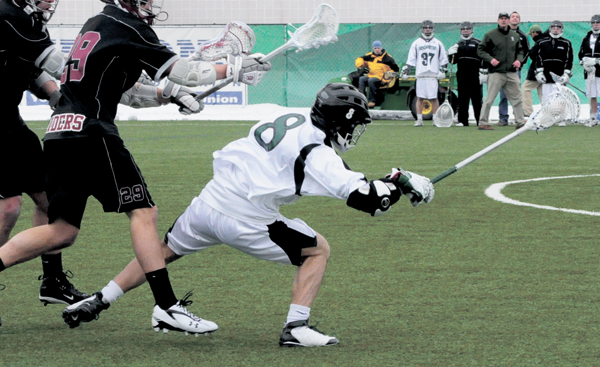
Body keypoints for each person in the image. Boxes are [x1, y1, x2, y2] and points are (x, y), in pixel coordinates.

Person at [0, 0, 271, 335]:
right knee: (143, 212)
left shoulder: (97, 25)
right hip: (91, 134)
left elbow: (126, 92)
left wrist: (167, 95)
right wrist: (234, 68)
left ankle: (150, 303)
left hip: (60, 134)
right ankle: (167, 306)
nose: (146, 0)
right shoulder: (129, 27)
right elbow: (187, 72)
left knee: (60, 230)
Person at [60, 83, 435, 347]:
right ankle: (296, 327)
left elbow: (326, 166)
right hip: (247, 219)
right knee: (317, 250)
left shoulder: (291, 117)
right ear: (340, 120)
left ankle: (100, 299)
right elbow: (368, 201)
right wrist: (399, 182)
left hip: (210, 200)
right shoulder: (319, 153)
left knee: (162, 251)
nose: (354, 132)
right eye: (353, 124)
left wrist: (391, 182)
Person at [0, 0, 89, 323]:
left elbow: (34, 72)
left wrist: (56, 97)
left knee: (50, 200)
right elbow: (60, 65)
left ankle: (52, 281)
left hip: (10, 123)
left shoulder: (27, 22)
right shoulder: (9, 16)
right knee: (9, 207)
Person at [476, 12, 526, 130]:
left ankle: (520, 122)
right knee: (489, 99)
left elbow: (520, 51)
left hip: (511, 72)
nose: (503, 20)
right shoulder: (490, 35)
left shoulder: (515, 35)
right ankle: (483, 122)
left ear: (508, 21)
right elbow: (480, 50)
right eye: (501, 18)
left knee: (517, 98)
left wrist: (518, 60)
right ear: (498, 21)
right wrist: (490, 59)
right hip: (496, 72)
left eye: (505, 18)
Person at [401, 20, 448, 127]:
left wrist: (443, 70)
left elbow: (443, 59)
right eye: (426, 28)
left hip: (433, 75)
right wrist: (407, 70)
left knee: (434, 98)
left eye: (429, 28)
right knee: (420, 97)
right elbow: (411, 59)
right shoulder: (416, 43)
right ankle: (419, 119)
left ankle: (435, 119)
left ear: (433, 29)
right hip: (421, 74)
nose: (427, 30)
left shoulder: (438, 43)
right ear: (422, 29)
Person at [529, 21, 573, 125]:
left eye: (558, 28)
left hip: (559, 76)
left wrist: (566, 74)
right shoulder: (542, 42)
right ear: (550, 29)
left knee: (560, 98)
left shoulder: (566, 43)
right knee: (546, 99)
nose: (556, 30)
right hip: (546, 76)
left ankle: (561, 119)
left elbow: (569, 60)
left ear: (561, 29)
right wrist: (539, 72)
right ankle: (547, 118)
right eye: (553, 28)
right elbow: (538, 58)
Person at [494, 12, 530, 126]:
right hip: (501, 70)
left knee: (516, 95)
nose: (515, 18)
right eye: (513, 17)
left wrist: (519, 62)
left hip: (515, 71)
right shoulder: (501, 34)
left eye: (517, 17)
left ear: (519, 20)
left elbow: (526, 51)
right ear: (509, 20)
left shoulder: (522, 36)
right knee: (503, 95)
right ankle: (503, 118)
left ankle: (518, 118)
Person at [446, 21, 484, 126]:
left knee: (477, 100)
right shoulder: (458, 44)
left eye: (468, 29)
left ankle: (480, 120)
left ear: (471, 30)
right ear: (461, 31)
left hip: (475, 75)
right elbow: (453, 61)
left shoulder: (477, 43)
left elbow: (483, 58)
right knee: (463, 99)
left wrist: (483, 71)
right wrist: (451, 54)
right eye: (463, 29)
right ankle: (463, 121)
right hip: (462, 76)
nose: (465, 31)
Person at [355, 40, 399, 108]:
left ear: (381, 48)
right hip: (371, 75)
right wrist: (360, 66)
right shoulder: (369, 56)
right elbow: (360, 59)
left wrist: (385, 80)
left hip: (381, 78)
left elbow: (395, 70)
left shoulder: (388, 58)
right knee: (362, 79)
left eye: (378, 48)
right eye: (375, 48)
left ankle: (372, 101)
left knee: (371, 80)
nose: (377, 50)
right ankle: (362, 99)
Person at [521, 25, 548, 117]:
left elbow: (533, 55)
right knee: (542, 92)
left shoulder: (539, 43)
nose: (531, 36)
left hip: (536, 71)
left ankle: (528, 111)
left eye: (531, 34)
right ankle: (547, 111)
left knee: (526, 88)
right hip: (546, 71)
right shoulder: (546, 40)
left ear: (535, 33)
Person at [578, 14, 600, 127]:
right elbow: (581, 54)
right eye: (593, 23)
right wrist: (583, 62)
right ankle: (593, 117)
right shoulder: (586, 38)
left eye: (598, 22)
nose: (595, 24)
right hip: (590, 71)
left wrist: (597, 60)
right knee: (592, 95)